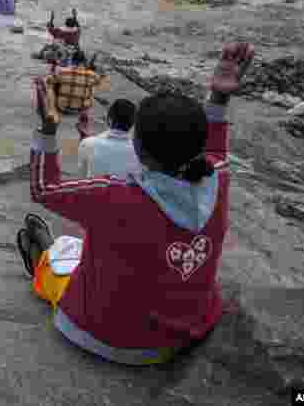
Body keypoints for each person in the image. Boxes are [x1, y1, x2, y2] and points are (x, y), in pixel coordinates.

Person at [17, 43, 253, 366]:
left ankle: (41, 259)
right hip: (184, 333)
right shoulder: (219, 179)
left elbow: (44, 188)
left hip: (106, 336)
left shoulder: (116, 196)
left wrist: (47, 127)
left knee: (61, 258)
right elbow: (216, 151)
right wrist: (220, 96)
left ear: (138, 149)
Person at [43, 49, 106, 140]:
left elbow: (48, 81)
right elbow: (100, 81)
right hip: (80, 109)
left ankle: (52, 112)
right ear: (84, 62)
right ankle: (84, 120)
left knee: (50, 86)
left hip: (61, 107)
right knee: (92, 88)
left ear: (72, 60)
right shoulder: (92, 75)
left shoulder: (62, 71)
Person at [77, 99, 141, 181]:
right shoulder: (140, 152)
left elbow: (81, 180)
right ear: (133, 123)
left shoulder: (87, 143)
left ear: (109, 119)